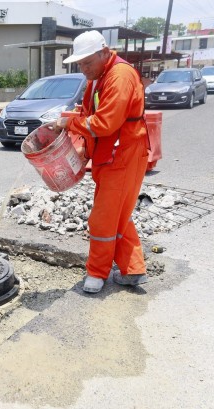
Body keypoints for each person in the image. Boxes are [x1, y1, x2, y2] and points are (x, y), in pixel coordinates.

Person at [53, 30, 149, 294]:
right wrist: (79, 142)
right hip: (112, 155)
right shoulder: (98, 76)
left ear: (105, 53)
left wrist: (68, 122)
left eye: (87, 62)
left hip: (123, 156)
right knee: (118, 215)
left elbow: (105, 123)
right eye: (79, 64)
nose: (83, 68)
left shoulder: (120, 76)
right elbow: (88, 113)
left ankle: (97, 273)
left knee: (103, 219)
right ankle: (132, 269)